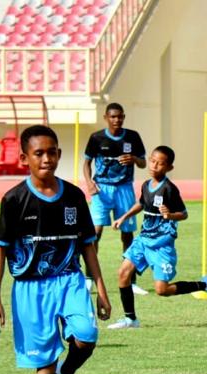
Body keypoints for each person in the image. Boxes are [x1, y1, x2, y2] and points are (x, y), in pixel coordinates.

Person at [0, 125, 112, 374]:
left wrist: (100, 287)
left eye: (53, 151)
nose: (47, 158)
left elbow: (88, 246)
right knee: (43, 362)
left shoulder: (73, 196)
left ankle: (68, 372)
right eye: (39, 153)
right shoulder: (14, 200)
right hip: (30, 289)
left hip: (69, 279)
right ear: (24, 157)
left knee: (86, 335)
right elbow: (0, 249)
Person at [106, 145, 207, 330]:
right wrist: (124, 217)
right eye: (153, 161)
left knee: (162, 290)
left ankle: (205, 285)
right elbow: (141, 203)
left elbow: (184, 214)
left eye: (160, 164)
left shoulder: (170, 189)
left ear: (169, 167)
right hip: (143, 239)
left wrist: (170, 215)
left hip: (161, 244)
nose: (154, 166)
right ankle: (131, 320)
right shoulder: (147, 185)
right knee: (123, 273)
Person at [83, 102, 147, 295]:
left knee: (127, 234)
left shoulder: (133, 137)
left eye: (120, 116)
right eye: (113, 117)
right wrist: (88, 182)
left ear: (124, 117)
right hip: (102, 189)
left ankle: (131, 279)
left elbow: (143, 163)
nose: (116, 120)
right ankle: (88, 278)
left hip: (125, 189)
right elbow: (86, 163)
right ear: (106, 118)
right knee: (95, 233)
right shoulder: (97, 138)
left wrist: (134, 159)